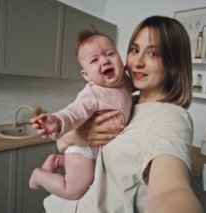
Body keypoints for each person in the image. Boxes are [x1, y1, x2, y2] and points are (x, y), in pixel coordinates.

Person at [42, 15, 203, 213]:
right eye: (134, 50)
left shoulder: (171, 118)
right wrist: (77, 135)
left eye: (153, 54)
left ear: (173, 65)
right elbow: (62, 143)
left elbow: (170, 190)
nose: (137, 62)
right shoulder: (123, 102)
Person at [28, 30, 133, 200]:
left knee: (89, 173)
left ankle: (57, 161)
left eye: (110, 54)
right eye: (94, 60)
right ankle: (39, 176)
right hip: (83, 148)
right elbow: (74, 112)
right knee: (74, 190)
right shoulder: (93, 93)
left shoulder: (126, 83)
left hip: (97, 148)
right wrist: (58, 120)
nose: (105, 60)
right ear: (86, 75)